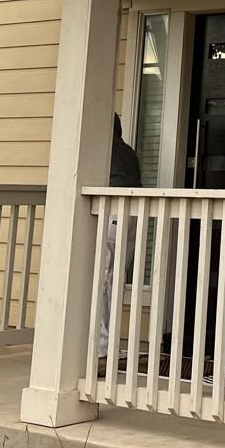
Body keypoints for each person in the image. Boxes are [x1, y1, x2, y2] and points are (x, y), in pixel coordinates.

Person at [96, 113, 142, 363]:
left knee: (103, 279)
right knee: (114, 279)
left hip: (113, 212)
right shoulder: (127, 151)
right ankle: (107, 344)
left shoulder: (102, 148)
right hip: (131, 216)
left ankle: (102, 349)